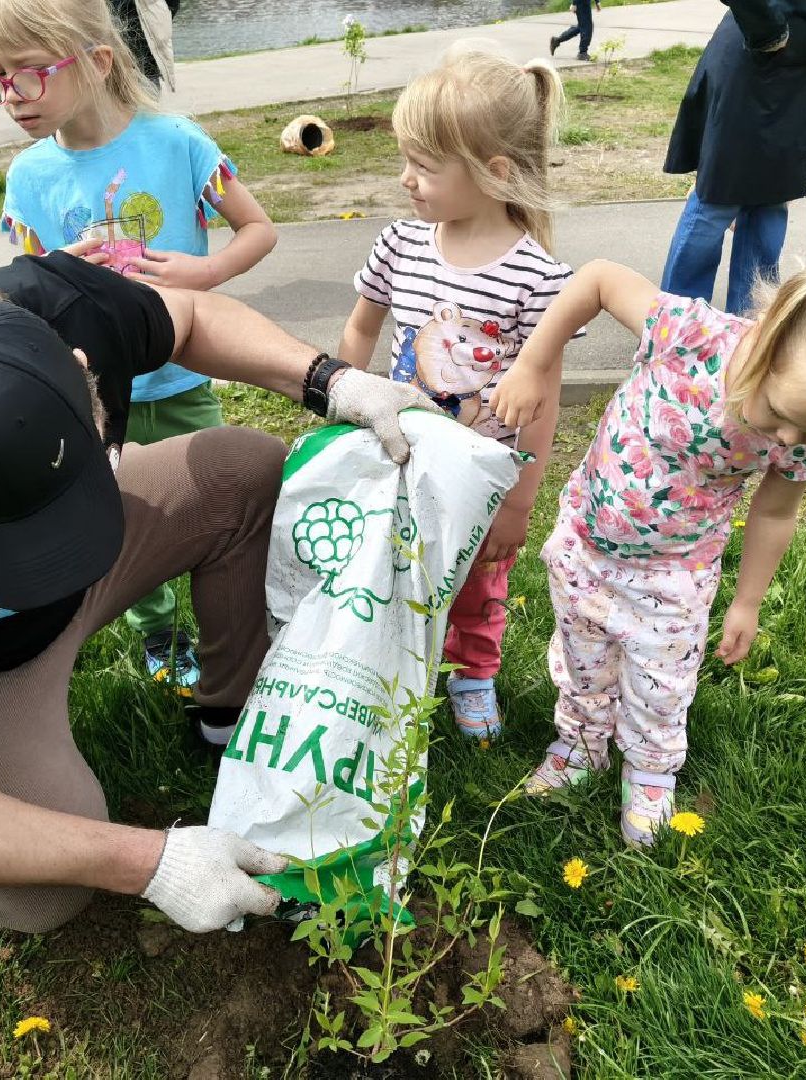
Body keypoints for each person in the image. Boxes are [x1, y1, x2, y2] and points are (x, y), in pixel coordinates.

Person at [0, 250, 433, 935]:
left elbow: (189, 315)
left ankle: (229, 720)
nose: (47, 559)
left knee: (240, 471)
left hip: (97, 569)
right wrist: (151, 862)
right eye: (4, 532)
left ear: (82, 369)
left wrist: (332, 381)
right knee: (43, 898)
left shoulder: (60, 305)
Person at [490, 253, 806, 845]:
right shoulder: (689, 333)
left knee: (660, 685)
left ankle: (650, 774)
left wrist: (748, 602)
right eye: (784, 417)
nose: (791, 440)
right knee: (582, 660)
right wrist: (534, 364)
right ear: (772, 335)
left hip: (674, 575)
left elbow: (775, 509)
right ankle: (580, 746)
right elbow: (597, 279)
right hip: (584, 543)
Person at [0, 0, 278, 693]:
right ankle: (161, 635)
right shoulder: (29, 177)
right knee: (122, 516)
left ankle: (234, 638)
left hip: (182, 381)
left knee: (219, 504)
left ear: (98, 61)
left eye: (26, 75)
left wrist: (205, 274)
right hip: (91, 396)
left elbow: (258, 229)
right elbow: (29, 287)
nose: (9, 98)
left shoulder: (178, 144)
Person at [340, 45, 576, 743]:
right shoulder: (399, 245)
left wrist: (520, 500)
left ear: (494, 172)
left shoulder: (537, 280)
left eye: (424, 165)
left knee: (476, 583)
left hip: (477, 474)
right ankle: (391, 666)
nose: (406, 179)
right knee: (390, 568)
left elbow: (544, 397)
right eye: (404, 158)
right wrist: (341, 404)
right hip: (395, 454)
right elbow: (360, 330)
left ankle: (473, 673)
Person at [660, 0, 806, 317]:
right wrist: (768, 33)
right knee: (717, 201)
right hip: (756, 54)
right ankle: (677, 330)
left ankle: (749, 332)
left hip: (797, 70)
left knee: (771, 202)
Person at [109, 0, 180, 92]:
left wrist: (162, 14)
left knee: (149, 74)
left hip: (146, 29)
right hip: (118, 27)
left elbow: (173, 5)